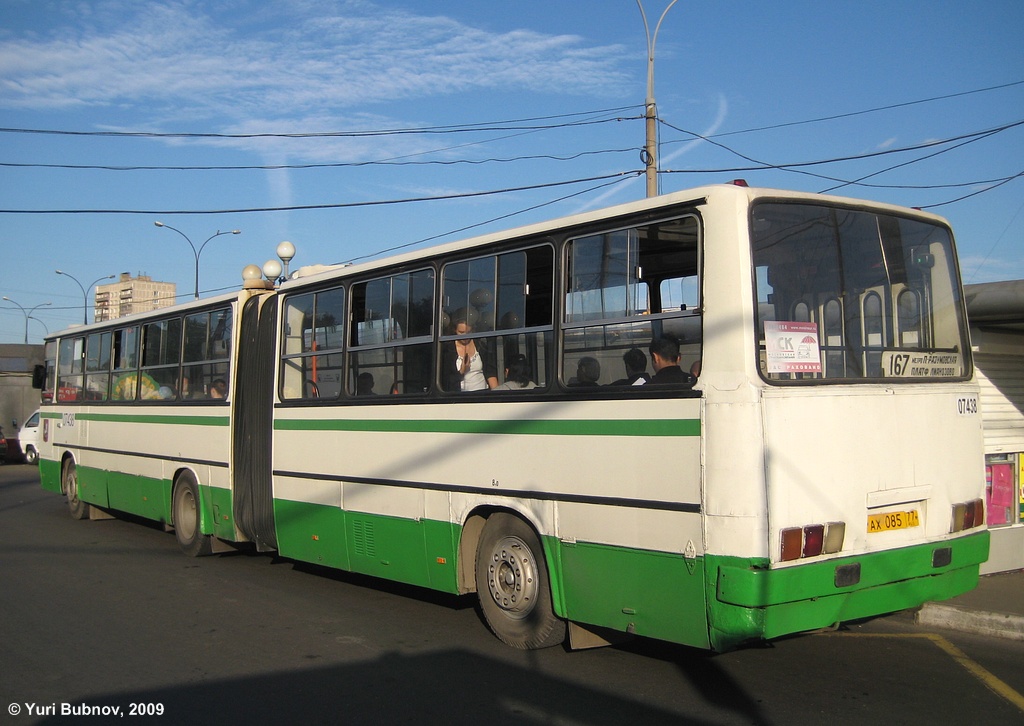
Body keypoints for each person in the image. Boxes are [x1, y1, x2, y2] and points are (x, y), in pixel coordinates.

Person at [442, 316, 498, 391]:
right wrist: (461, 371)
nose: (465, 336)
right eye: (461, 332)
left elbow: (490, 373)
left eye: (468, 332)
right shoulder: (448, 350)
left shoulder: (480, 345)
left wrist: (497, 394)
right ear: (455, 330)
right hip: (461, 396)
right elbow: (446, 380)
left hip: (483, 393)